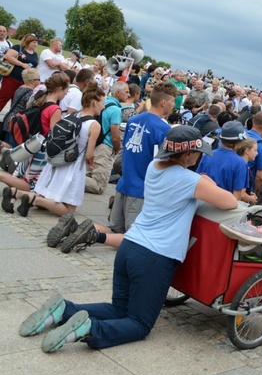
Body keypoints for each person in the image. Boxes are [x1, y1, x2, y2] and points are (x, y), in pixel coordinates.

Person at [19, 126, 238, 352]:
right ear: (188, 154)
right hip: (155, 257)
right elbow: (230, 202)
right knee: (140, 324)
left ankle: (63, 310)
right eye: (198, 152)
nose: (200, 156)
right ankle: (90, 329)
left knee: (119, 310)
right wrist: (208, 182)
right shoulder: (190, 180)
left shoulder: (154, 167)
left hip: (130, 247)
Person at [10, 84, 104, 226]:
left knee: (50, 197)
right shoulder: (94, 125)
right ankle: (32, 198)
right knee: (69, 210)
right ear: (95, 102)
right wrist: (91, 162)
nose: (103, 107)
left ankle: (16, 193)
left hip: (58, 161)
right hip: (73, 165)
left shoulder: (72, 115)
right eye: (103, 103)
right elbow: (89, 154)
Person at [0, 72, 68, 203]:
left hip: (33, 144)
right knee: (32, 185)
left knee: (23, 177)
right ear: (59, 89)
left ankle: (12, 194)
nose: (66, 93)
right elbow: (54, 135)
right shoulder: (55, 109)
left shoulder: (41, 100)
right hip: (42, 150)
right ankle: (6, 182)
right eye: (66, 90)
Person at [85, 81, 128, 194]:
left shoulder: (105, 103)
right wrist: (117, 148)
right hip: (105, 146)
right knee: (99, 186)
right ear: (118, 93)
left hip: (95, 143)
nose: (128, 95)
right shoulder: (116, 110)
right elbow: (115, 136)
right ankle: (71, 179)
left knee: (88, 172)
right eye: (126, 92)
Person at [196, 121, 249, 200]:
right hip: (224, 208)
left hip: (202, 205)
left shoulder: (208, 155)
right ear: (240, 141)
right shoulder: (240, 163)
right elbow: (236, 198)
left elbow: (197, 180)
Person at [0, 33, 40, 112]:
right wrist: (22, 64)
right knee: (3, 99)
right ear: (28, 42)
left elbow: (34, 65)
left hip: (24, 83)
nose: (36, 44)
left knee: (17, 103)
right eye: (34, 42)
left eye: (36, 42)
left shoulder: (35, 54)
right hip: (12, 79)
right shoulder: (18, 48)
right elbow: (8, 56)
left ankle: (10, 121)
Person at [1, 68, 40, 147]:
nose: (40, 81)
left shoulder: (20, 88)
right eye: (39, 79)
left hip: (9, 119)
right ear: (33, 81)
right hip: (17, 123)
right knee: (13, 149)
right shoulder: (30, 93)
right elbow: (28, 109)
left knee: (6, 147)